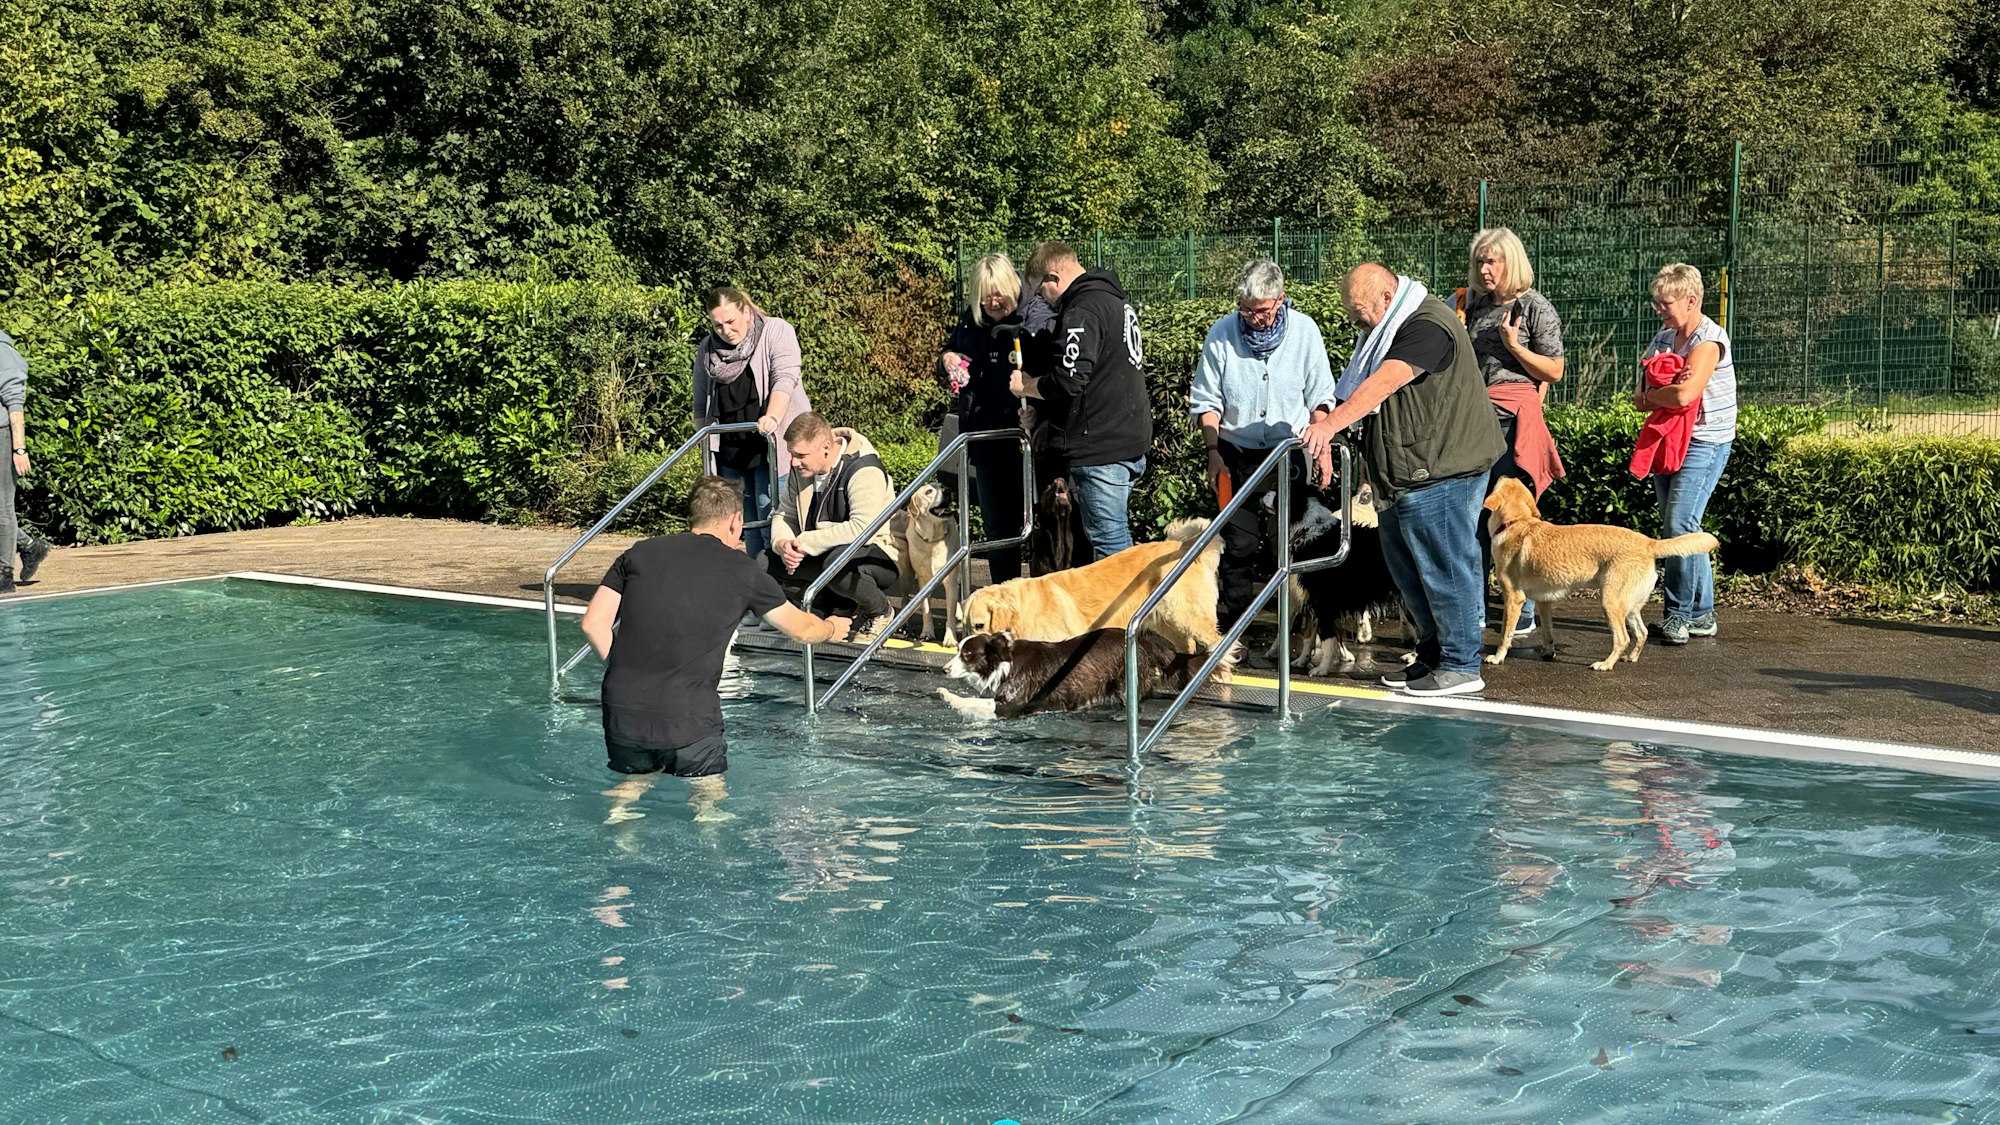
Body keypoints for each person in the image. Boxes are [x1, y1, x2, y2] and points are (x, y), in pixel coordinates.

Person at [580, 475, 851, 823]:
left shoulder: (639, 553)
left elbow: (593, 623)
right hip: (689, 716)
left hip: (623, 707)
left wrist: (622, 671)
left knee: (632, 784)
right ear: (736, 520)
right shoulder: (742, 571)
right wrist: (832, 628)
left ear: (693, 516)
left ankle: (618, 825)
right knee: (708, 795)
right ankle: (711, 841)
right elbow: (801, 630)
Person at [1301, 263, 1505, 697]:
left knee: (1446, 565)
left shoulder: (1429, 324)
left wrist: (1330, 426)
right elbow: (1352, 387)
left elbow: (1384, 383)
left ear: (1387, 298)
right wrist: (1325, 422)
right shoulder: (1381, 330)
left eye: (1361, 311)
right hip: (1403, 475)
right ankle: (1433, 656)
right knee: (1409, 569)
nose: (1357, 320)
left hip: (1442, 468)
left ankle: (1461, 663)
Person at [1189, 259, 1337, 629]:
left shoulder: (1305, 331)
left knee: (1288, 544)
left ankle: (1294, 628)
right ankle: (1237, 626)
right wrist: (1212, 452)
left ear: (1281, 300)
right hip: (1234, 452)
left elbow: (1321, 397)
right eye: (1247, 311)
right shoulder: (1222, 333)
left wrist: (1324, 451)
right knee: (1237, 543)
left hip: (1289, 453)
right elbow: (1207, 401)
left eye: (1264, 311)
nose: (1255, 318)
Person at [1010, 241, 1152, 560]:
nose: (1042, 301)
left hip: (1102, 445)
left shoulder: (1082, 309)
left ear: (1053, 277)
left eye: (1039, 291)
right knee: (1115, 533)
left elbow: (1068, 378)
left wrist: (1027, 386)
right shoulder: (1115, 300)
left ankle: (1126, 611)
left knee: (1110, 542)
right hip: (1129, 436)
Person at [1459, 228, 1566, 638]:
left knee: (1512, 522)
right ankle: (1478, 607)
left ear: (1512, 262)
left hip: (1511, 421)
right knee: (1475, 519)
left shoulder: (1535, 306)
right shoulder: (1475, 305)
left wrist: (1515, 347)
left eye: (1492, 261)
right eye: (1480, 262)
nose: (1484, 269)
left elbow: (1554, 371)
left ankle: (1520, 611)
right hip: (1474, 420)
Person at [1633, 263, 1736, 645]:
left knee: (1677, 525)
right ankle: (1703, 614)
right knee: (1684, 527)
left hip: (1705, 441)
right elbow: (1639, 395)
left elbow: (1683, 395)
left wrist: (1654, 395)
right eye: (1656, 302)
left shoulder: (1709, 340)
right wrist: (1653, 395)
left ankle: (1677, 613)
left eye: (1666, 302)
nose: (1659, 309)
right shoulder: (1662, 340)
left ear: (1691, 300)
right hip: (1667, 439)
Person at [939, 252, 1054, 583]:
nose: (992, 300)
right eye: (984, 294)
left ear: (1012, 288)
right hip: (986, 441)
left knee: (1040, 526)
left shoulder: (1037, 319)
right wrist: (947, 359)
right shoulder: (970, 321)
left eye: (998, 292)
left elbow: (1055, 377)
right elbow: (952, 350)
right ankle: (1003, 599)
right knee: (997, 530)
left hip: (1030, 441)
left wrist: (1035, 406)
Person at [690, 287, 811, 560]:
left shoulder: (775, 331)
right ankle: (756, 580)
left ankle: (779, 583)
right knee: (742, 524)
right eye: (718, 325)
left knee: (772, 519)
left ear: (745, 311)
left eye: (731, 322)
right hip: (732, 448)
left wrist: (773, 417)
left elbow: (785, 378)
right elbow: (700, 399)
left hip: (769, 444)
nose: (725, 330)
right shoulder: (708, 349)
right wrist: (701, 433)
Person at [767, 413, 902, 643]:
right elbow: (784, 514)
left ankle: (879, 611)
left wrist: (806, 541)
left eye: (800, 455)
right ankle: (828, 611)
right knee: (763, 563)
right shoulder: (800, 471)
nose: (793, 462)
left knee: (836, 564)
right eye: (791, 454)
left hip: (876, 554)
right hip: (821, 551)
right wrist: (783, 545)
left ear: (826, 448)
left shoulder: (864, 469)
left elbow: (862, 529)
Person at [0, 328, 51, 596]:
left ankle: (3, 576)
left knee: (2, 505)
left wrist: (19, 449)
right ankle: (30, 546)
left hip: (2, 436)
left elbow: (15, 405)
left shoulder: (4, 353)